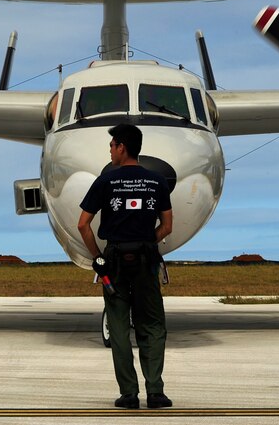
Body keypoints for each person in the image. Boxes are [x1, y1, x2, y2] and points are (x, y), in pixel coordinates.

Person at [77, 123, 173, 410]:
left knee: (119, 327)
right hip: (146, 260)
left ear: (121, 147)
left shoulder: (105, 182)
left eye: (111, 145)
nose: (109, 150)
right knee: (153, 325)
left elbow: (83, 225)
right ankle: (155, 392)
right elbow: (167, 226)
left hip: (115, 262)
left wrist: (98, 258)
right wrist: (146, 242)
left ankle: (129, 394)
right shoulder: (157, 182)